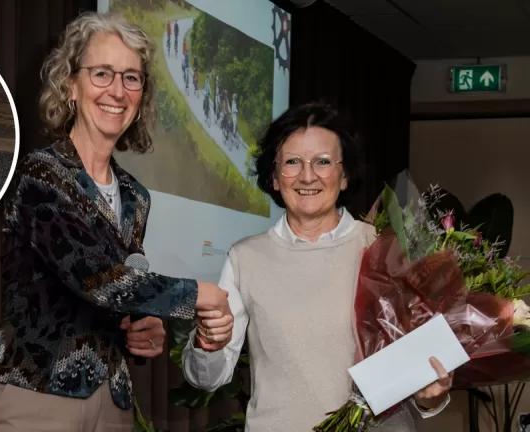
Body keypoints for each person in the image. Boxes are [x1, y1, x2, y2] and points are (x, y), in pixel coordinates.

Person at [0, 12, 231, 432]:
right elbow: (97, 279)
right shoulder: (42, 175)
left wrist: (144, 327)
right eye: (102, 73)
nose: (118, 90)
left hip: (113, 403)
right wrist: (197, 294)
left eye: (132, 78)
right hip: (34, 397)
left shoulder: (135, 197)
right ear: (70, 85)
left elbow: (126, 286)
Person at [181, 102, 453, 431]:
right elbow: (210, 377)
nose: (307, 175)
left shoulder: (384, 248)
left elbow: (418, 374)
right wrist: (207, 345)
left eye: (323, 162)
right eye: (292, 162)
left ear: (344, 176)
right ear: (274, 177)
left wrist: (430, 394)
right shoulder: (246, 258)